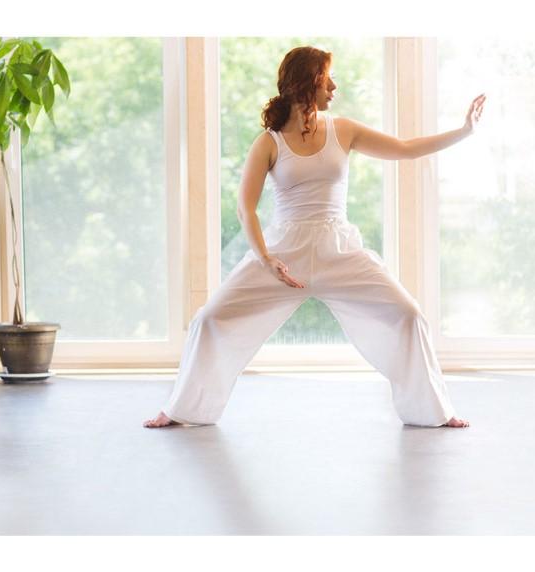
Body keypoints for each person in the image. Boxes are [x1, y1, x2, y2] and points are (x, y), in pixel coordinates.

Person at [144, 46, 485, 429]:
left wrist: (464, 131)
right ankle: (179, 409)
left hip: (339, 251)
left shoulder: (344, 130)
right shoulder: (269, 142)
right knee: (209, 319)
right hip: (282, 254)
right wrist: (266, 259)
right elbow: (246, 208)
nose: (334, 87)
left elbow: (405, 150)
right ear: (306, 83)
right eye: (327, 79)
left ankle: (434, 411)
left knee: (408, 315)